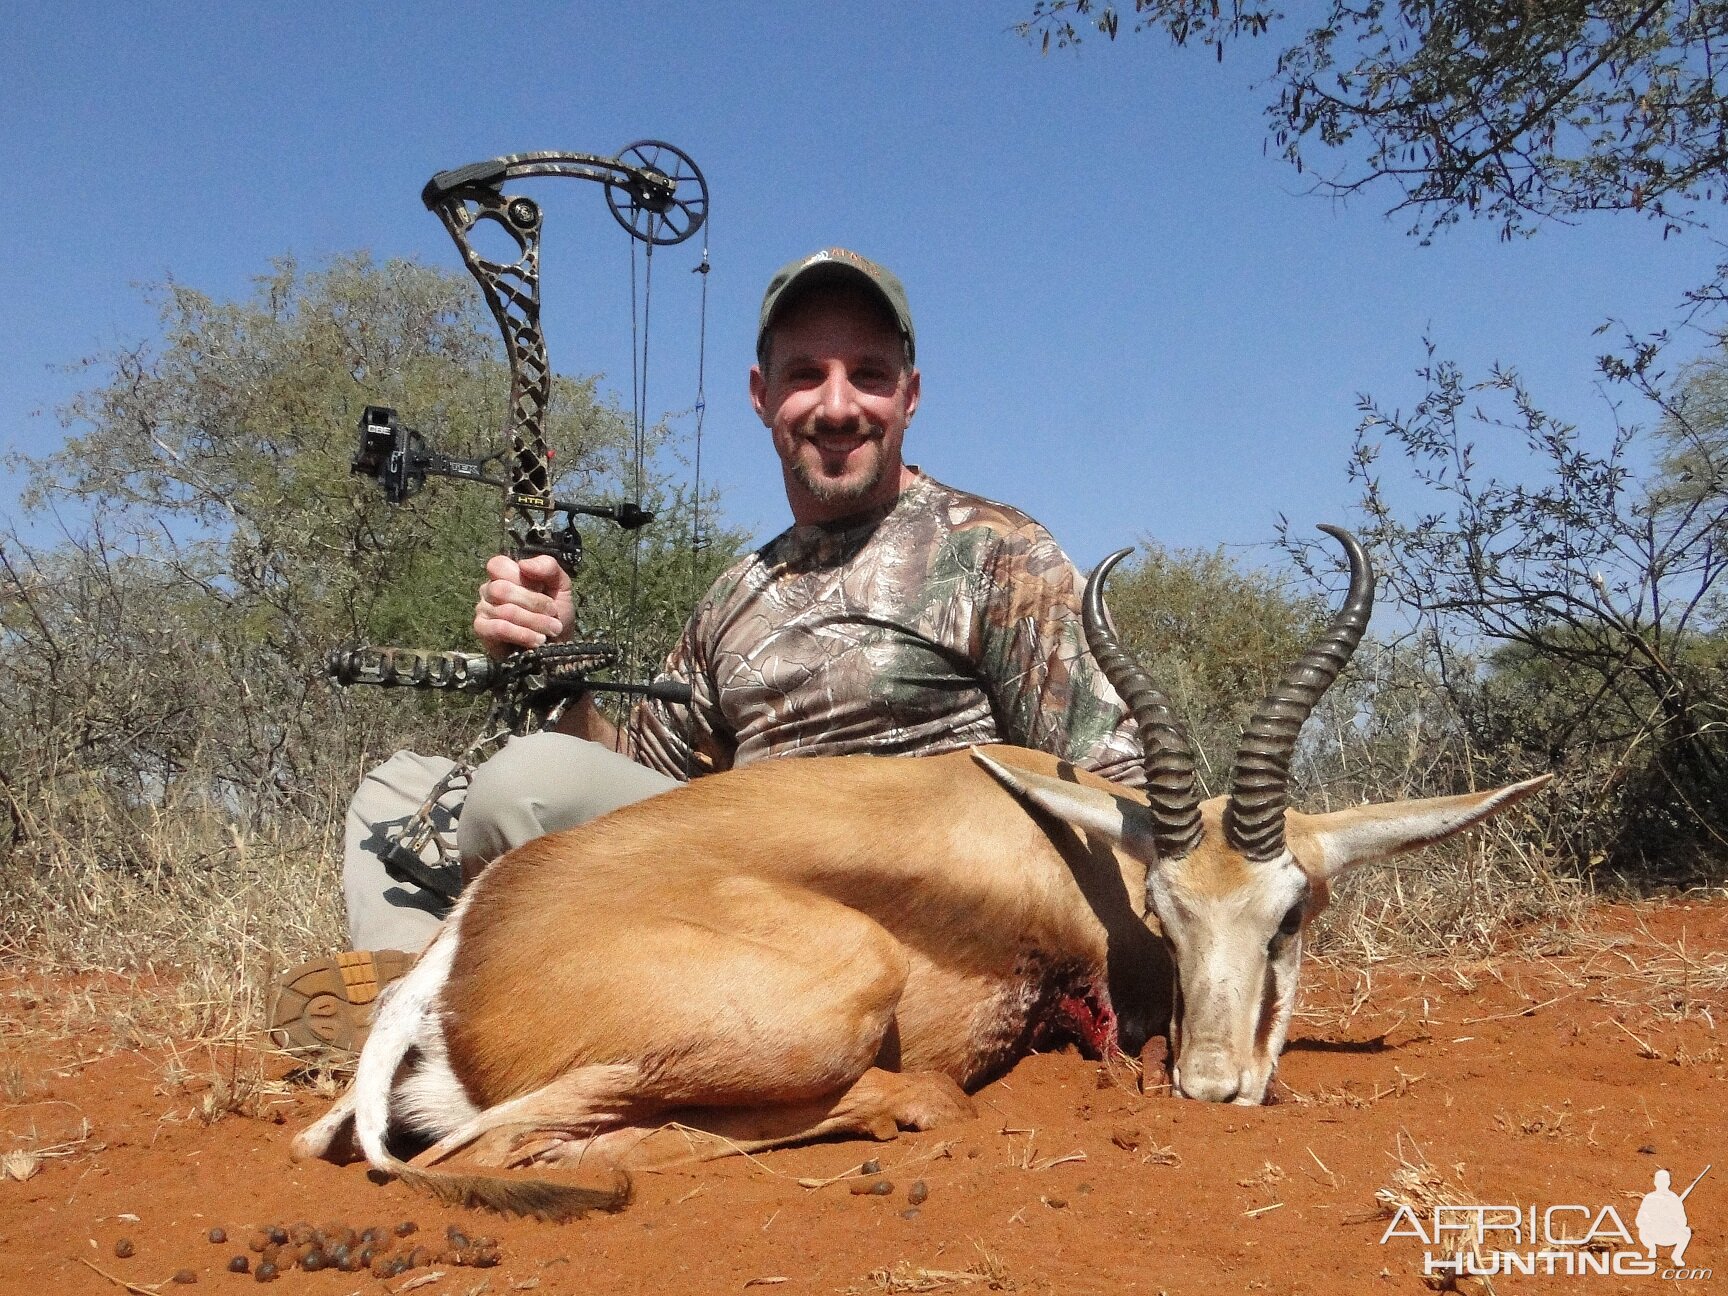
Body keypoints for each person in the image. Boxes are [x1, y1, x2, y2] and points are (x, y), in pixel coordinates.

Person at [270, 248, 1145, 1050]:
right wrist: (555, 659)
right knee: (400, 787)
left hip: (873, 918)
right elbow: (647, 780)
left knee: (520, 787)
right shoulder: (736, 593)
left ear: (910, 396)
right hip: (722, 868)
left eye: (867, 376)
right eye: (806, 376)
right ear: (761, 395)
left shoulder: (996, 551)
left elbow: (1117, 790)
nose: (837, 406)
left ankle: (444, 1025)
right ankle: (400, 993)